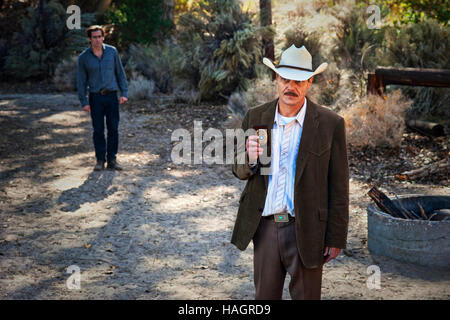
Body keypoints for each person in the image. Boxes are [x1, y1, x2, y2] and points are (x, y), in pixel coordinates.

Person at [231, 45, 349, 300]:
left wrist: (336, 236)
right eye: (285, 79)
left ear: (309, 82)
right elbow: (237, 169)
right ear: (276, 79)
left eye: (298, 81)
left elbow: (339, 186)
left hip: (307, 229)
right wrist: (250, 159)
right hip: (265, 227)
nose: (290, 86)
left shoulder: (330, 124)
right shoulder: (256, 116)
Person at [77, 25, 128, 171]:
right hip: (96, 98)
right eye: (94, 37)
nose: (98, 40)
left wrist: (124, 92)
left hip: (112, 96)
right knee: (98, 130)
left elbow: (120, 73)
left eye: (100, 36)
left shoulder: (112, 52)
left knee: (113, 129)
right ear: (90, 39)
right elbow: (81, 81)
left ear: (103, 37)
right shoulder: (84, 57)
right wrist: (84, 101)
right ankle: (100, 160)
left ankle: (112, 159)